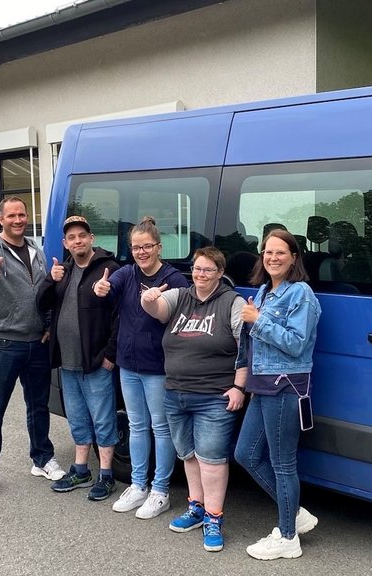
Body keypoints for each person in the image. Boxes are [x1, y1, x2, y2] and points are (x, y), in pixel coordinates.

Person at [140, 246, 247, 553]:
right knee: (188, 455)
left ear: (220, 274)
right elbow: (158, 309)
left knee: (212, 459)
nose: (200, 275)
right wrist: (149, 300)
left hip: (214, 396)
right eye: (197, 269)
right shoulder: (181, 296)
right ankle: (196, 507)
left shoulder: (232, 302)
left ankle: (214, 518)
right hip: (175, 393)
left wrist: (240, 387)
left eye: (208, 270)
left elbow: (246, 349)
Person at [0, 196, 65, 496]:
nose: (18, 220)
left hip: (36, 343)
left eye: (22, 215)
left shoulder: (35, 249)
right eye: (12, 216)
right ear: (1, 219)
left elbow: (44, 291)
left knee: (38, 406)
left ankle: (42, 458)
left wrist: (48, 325)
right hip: (2, 343)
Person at [234, 229, 322, 560]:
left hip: (286, 386)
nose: (272, 258)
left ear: (294, 257)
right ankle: (295, 513)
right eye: (267, 252)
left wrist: (257, 321)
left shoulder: (301, 294)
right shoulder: (265, 292)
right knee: (245, 454)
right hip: (263, 385)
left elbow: (297, 343)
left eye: (280, 253)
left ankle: (287, 538)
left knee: (283, 463)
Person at [93, 216, 189, 518]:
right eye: (136, 247)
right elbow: (110, 286)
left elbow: (182, 321)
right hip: (128, 364)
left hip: (159, 367)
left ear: (159, 247)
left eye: (147, 246)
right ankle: (138, 485)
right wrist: (102, 286)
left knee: (161, 428)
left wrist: (159, 301)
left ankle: (160, 490)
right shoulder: (127, 273)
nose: (141, 252)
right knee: (136, 426)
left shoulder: (174, 279)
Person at [36, 215, 120, 501]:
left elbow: (120, 316)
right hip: (67, 361)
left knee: (103, 419)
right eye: (71, 238)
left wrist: (110, 355)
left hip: (96, 362)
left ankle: (106, 474)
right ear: (65, 243)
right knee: (78, 418)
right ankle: (81, 468)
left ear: (91, 238)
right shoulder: (64, 270)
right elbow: (42, 304)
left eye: (82, 235)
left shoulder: (109, 269)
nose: (77, 241)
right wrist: (50, 280)